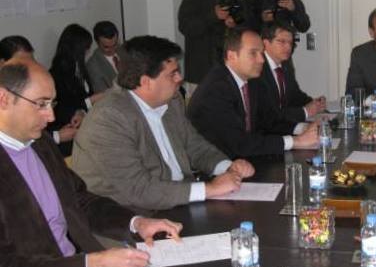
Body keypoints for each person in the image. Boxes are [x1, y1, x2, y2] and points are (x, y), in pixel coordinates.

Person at [0, 60, 182, 267]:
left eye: (52, 104)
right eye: (41, 104)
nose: (51, 116)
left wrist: (135, 222)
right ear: (4, 99)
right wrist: (92, 264)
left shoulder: (39, 143)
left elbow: (80, 200)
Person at [72, 36, 253, 212]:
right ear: (146, 82)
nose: (179, 78)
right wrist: (209, 189)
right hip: (132, 215)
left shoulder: (171, 100)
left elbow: (194, 145)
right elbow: (139, 189)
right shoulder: (108, 119)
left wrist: (228, 167)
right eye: (172, 74)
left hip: (176, 200)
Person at [187, 27, 318, 158]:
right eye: (253, 53)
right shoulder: (215, 90)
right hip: (220, 162)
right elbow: (239, 143)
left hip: (245, 157)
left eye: (261, 53)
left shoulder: (251, 81)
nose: (262, 60)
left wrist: (302, 128)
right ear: (232, 56)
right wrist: (296, 141)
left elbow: (269, 121)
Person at [178, 0, 236, 87]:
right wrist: (213, 16)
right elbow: (185, 27)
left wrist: (234, 24)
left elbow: (246, 29)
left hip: (229, 70)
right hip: (200, 72)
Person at [48, 24, 103, 156]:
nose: (88, 51)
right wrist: (89, 102)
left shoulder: (80, 68)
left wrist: (83, 110)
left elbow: (82, 100)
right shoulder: (57, 75)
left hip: (83, 123)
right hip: (67, 131)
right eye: (85, 48)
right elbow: (61, 109)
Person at [261, 22, 325, 122]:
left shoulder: (286, 64)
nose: (288, 47)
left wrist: (314, 103)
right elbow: (269, 113)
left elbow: (295, 95)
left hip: (285, 124)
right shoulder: (258, 68)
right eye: (282, 42)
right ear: (266, 43)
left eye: (290, 43)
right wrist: (305, 112)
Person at [86, 20, 122, 94]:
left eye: (115, 44)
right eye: (106, 47)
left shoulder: (125, 51)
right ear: (97, 43)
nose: (112, 50)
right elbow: (102, 94)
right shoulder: (92, 65)